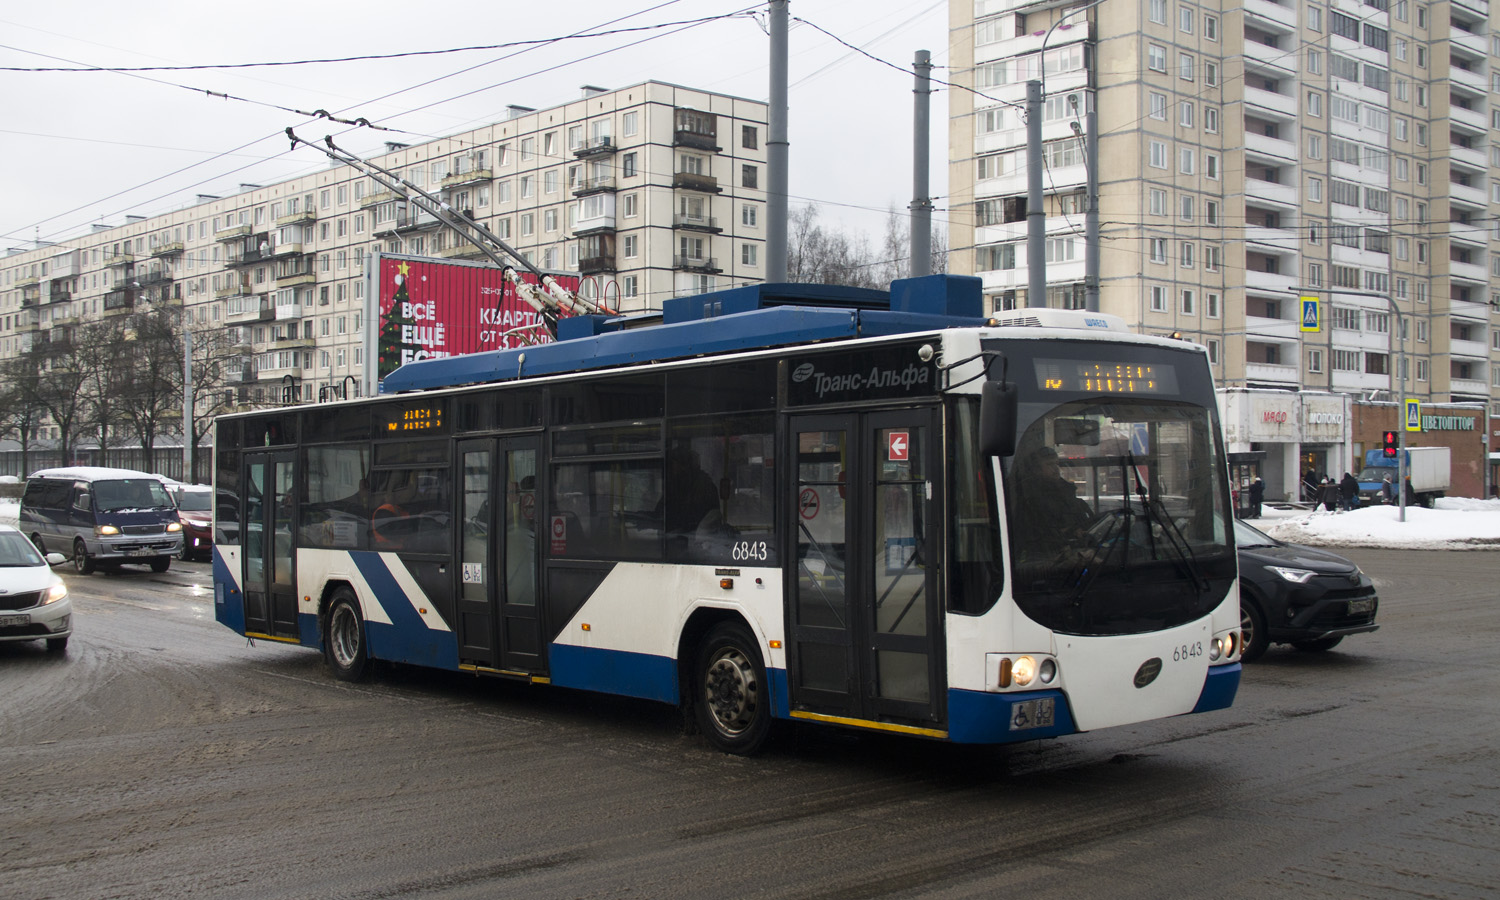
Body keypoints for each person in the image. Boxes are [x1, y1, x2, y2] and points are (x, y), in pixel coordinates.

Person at [1012, 446, 1093, 563]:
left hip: (1075, 546)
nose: (1056, 469)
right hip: (1048, 555)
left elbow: (1080, 516)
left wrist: (1081, 529)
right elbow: (1040, 533)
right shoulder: (1030, 496)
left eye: (1056, 464)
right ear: (1036, 469)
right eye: (1049, 465)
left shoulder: (1066, 490)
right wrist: (1070, 531)